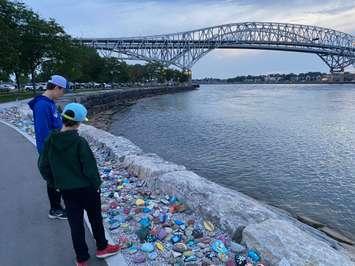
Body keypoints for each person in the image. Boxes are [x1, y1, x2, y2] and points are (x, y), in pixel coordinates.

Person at [38, 103, 120, 266]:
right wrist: (97, 184)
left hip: (67, 191)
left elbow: (43, 165)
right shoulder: (79, 142)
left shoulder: (50, 140)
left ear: (62, 119)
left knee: (75, 224)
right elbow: (89, 167)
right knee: (95, 219)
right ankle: (102, 248)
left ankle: (82, 259)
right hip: (87, 189)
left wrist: (55, 182)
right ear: (78, 123)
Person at [28, 75, 68, 219]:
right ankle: (55, 209)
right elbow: (43, 132)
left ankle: (57, 206)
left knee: (56, 178)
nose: (63, 94)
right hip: (51, 149)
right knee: (54, 179)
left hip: (55, 147)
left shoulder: (49, 103)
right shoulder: (42, 105)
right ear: (56, 87)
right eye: (63, 90)